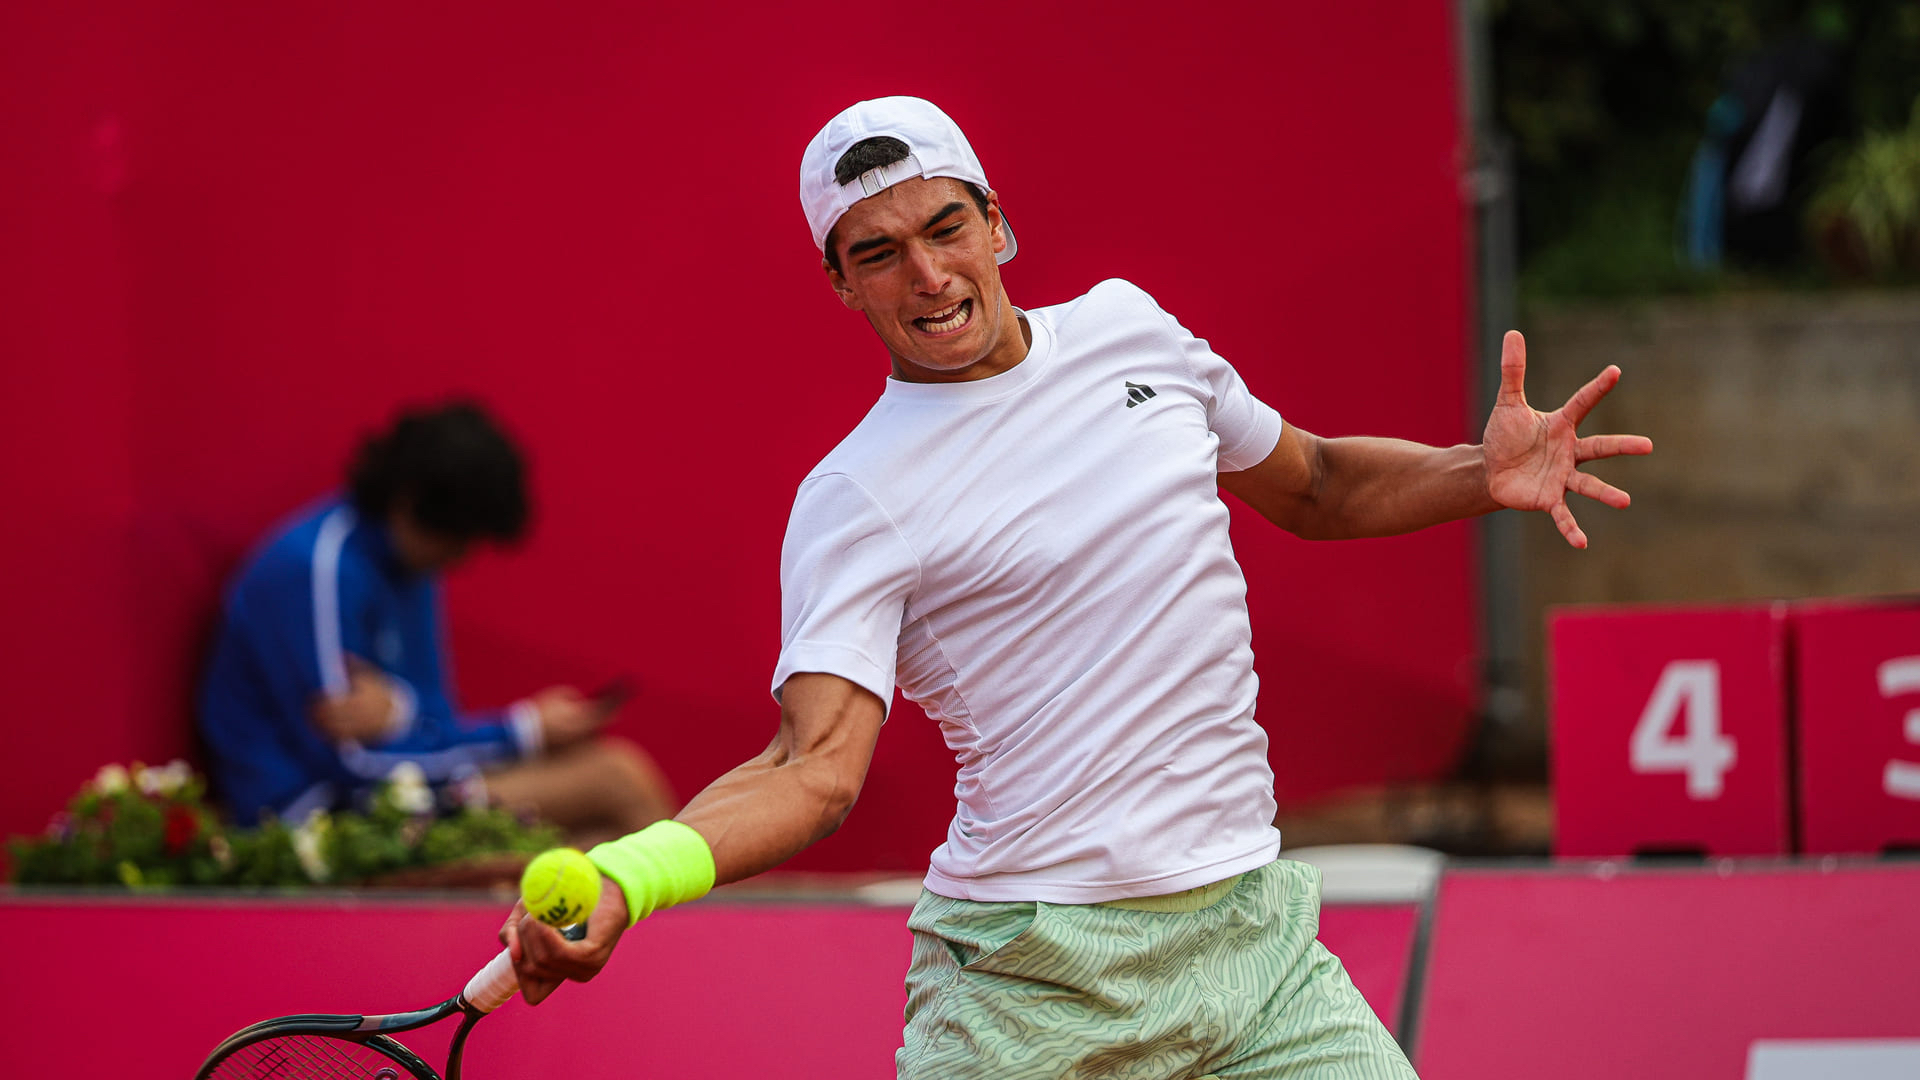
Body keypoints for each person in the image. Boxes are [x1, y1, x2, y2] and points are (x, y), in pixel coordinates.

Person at [498, 98, 1651, 1078]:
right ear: (841, 284)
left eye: (946, 227)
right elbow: (811, 769)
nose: (928, 275)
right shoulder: (855, 496)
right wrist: (628, 874)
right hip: (1034, 989)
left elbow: (1315, 484)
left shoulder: (1130, 332)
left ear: (997, 223)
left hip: (1258, 949)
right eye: (878, 253)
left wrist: (1478, 473)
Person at [198, 400, 676, 844]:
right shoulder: (317, 567)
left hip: (390, 796)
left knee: (602, 832)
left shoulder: (413, 567)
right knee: (619, 778)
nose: (460, 557)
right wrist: (523, 731)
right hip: (314, 821)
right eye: (456, 538)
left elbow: (434, 719)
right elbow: (349, 761)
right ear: (410, 503)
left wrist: (399, 711)